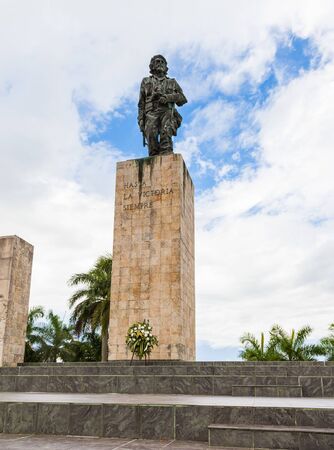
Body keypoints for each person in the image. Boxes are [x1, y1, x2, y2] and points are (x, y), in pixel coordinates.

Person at [138, 55, 187, 156]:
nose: (160, 63)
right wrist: (141, 120)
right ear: (152, 66)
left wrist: (168, 98)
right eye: (157, 62)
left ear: (166, 67)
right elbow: (141, 103)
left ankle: (166, 156)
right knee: (151, 136)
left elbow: (182, 99)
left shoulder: (172, 82)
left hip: (167, 111)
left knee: (166, 135)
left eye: (162, 62)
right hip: (150, 113)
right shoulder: (146, 81)